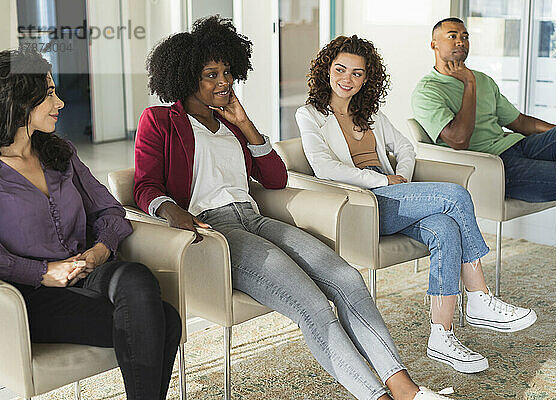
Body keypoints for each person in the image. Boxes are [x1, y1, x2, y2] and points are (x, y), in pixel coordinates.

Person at [135, 15, 453, 400]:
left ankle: (406, 389)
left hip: (254, 218)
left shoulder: (232, 124)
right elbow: (145, 185)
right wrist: (175, 214)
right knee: (311, 303)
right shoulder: (160, 121)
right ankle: (376, 396)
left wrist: (247, 124)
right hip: (216, 232)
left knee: (346, 278)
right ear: (186, 78)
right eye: (211, 75)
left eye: (228, 72)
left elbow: (275, 178)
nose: (225, 82)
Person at [296, 34, 537, 374]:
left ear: (367, 78)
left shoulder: (371, 114)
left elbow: (406, 149)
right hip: (362, 201)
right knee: (455, 196)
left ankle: (442, 335)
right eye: (340, 69)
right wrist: (382, 181)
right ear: (326, 71)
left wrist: (402, 178)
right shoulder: (309, 115)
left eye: (357, 73)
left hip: (394, 191)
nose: (347, 79)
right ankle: (480, 297)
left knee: (444, 227)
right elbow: (325, 168)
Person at [0, 49, 181, 400]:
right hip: (28, 297)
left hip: (87, 269)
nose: (61, 102)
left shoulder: (61, 153)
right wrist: (42, 272)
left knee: (137, 276)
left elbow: (111, 211)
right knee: (166, 320)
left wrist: (99, 252)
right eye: (50, 93)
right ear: (20, 101)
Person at [412, 17, 556, 305]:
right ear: (433, 44)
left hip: (518, 147)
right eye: (452, 36)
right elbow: (459, 139)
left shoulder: (485, 80)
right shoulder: (427, 91)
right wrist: (468, 84)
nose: (461, 41)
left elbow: (519, 122)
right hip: (493, 168)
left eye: (465, 35)